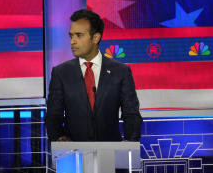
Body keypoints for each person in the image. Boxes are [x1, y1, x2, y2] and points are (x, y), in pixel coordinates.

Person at [45, 8, 142, 142]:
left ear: (95, 38)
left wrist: (130, 144)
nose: (72, 41)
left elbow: (131, 113)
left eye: (78, 35)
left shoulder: (121, 71)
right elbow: (53, 115)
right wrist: (60, 141)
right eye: (71, 36)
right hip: (73, 155)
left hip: (111, 153)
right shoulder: (61, 73)